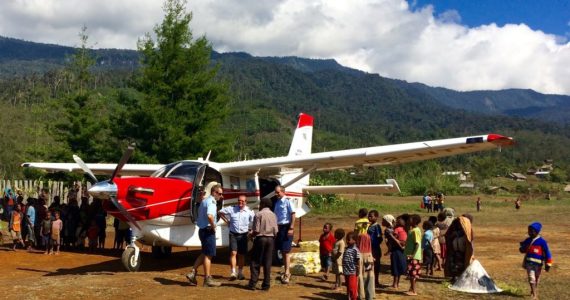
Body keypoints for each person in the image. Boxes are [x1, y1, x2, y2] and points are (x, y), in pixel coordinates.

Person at [186, 184, 224, 287]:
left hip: (202, 230)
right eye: (220, 194)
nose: (221, 196)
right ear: (214, 192)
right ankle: (207, 279)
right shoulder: (212, 202)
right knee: (208, 255)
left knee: (204, 253)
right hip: (208, 230)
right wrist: (213, 226)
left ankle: (193, 272)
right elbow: (210, 216)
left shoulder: (204, 201)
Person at [218, 194, 254, 281]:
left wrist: (251, 232)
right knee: (233, 253)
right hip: (233, 234)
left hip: (244, 235)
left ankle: (240, 272)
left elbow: (253, 222)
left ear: (246, 202)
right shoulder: (232, 209)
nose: (240, 202)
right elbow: (219, 212)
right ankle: (233, 272)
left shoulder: (249, 212)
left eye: (242, 201)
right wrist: (227, 221)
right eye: (239, 201)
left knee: (241, 255)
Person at [247, 197, 278, 291]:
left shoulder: (258, 214)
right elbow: (276, 230)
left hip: (261, 239)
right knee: (267, 262)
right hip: (271, 239)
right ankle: (266, 285)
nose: (259, 205)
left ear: (263, 204)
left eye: (260, 204)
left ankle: (253, 283)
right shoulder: (273, 215)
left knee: (255, 261)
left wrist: (250, 234)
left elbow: (256, 230)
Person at [519, 222, 552, 300]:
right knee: (531, 277)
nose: (529, 232)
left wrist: (548, 264)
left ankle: (533, 290)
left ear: (537, 232)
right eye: (529, 231)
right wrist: (521, 249)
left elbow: (547, 252)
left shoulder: (542, 242)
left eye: (531, 231)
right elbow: (523, 248)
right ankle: (534, 295)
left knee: (536, 279)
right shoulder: (528, 240)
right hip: (529, 263)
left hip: (538, 264)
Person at [273, 185, 296, 284]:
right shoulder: (277, 202)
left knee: (286, 251)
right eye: (276, 192)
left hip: (287, 227)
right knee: (282, 250)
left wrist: (291, 227)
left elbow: (293, 214)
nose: (276, 194)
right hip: (279, 228)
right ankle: (285, 270)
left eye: (278, 192)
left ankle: (287, 273)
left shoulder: (288, 201)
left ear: (283, 192)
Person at [444, 215, 474, 282]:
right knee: (455, 265)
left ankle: (459, 277)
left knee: (460, 265)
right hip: (456, 252)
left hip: (460, 252)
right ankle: (455, 276)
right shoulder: (455, 233)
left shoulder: (464, 235)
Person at [383, 214, 406, 289]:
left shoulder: (390, 230)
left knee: (395, 267)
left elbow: (394, 240)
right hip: (401, 249)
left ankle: (395, 284)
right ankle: (396, 283)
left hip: (396, 250)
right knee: (398, 267)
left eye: (384, 220)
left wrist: (398, 244)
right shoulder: (403, 229)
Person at [404, 214, 422, 296]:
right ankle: (411, 288)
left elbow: (417, 244)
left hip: (413, 256)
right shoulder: (412, 230)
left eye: (410, 219)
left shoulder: (416, 231)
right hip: (410, 255)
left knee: (413, 274)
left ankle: (414, 291)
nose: (408, 220)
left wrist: (412, 255)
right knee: (411, 273)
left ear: (414, 221)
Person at [367, 210, 383, 287]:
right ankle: (370, 280)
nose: (369, 217)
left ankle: (376, 281)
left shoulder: (377, 226)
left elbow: (380, 238)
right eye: (369, 216)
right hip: (369, 248)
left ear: (376, 217)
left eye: (371, 216)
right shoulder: (368, 226)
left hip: (375, 249)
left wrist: (374, 245)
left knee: (376, 265)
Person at [342, 231, 360, 300]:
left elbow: (358, 261)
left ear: (355, 240)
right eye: (346, 239)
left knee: (352, 287)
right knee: (348, 286)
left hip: (352, 272)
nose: (347, 241)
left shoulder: (355, 250)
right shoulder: (347, 249)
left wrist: (357, 270)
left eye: (349, 239)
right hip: (346, 271)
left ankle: (354, 298)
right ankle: (349, 297)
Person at [357, 232, 375, 300]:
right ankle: (369, 295)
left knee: (361, 278)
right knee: (369, 277)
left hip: (361, 273)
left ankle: (361, 295)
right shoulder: (370, 254)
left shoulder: (358, 254)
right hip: (368, 260)